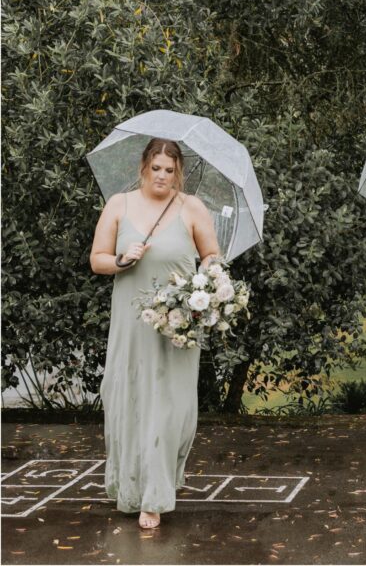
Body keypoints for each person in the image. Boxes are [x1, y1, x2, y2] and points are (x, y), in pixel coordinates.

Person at [90, 138, 220, 529]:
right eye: (156, 167)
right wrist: (120, 258)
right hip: (131, 323)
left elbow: (211, 254)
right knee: (130, 400)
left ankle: (156, 496)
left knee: (168, 406)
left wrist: (205, 280)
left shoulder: (191, 207)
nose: (162, 175)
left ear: (177, 171)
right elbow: (97, 261)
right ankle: (132, 490)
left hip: (177, 326)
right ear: (144, 166)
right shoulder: (119, 204)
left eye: (169, 169)